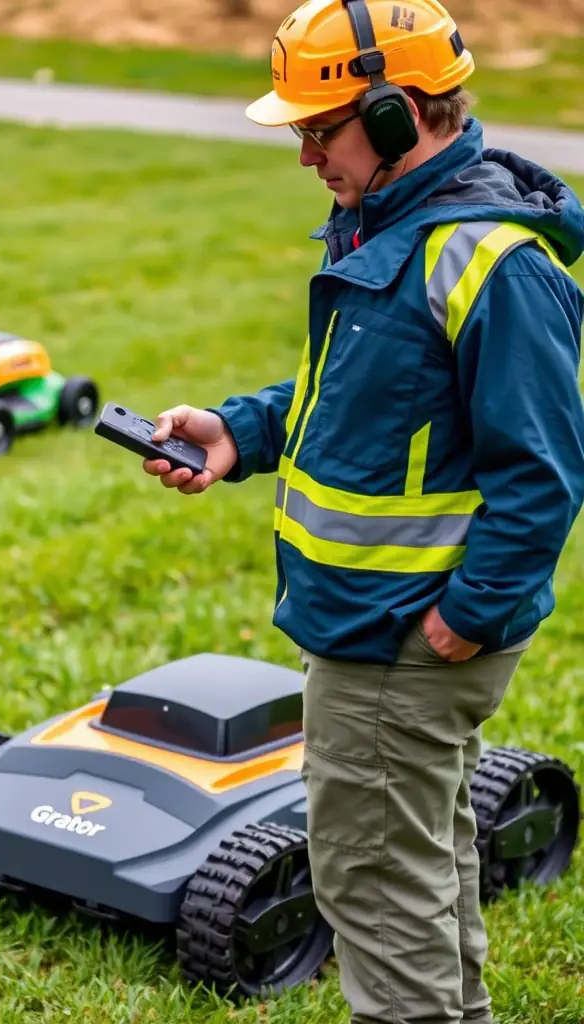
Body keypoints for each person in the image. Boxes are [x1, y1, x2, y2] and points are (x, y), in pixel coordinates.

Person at [142, 0, 584, 1020]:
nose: (304, 154)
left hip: (402, 640)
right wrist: (239, 431)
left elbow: (547, 471)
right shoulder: (387, 229)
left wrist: (467, 616)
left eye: (318, 126)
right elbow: (358, 401)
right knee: (417, 858)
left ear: (396, 116)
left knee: (373, 882)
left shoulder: (486, 264)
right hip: (368, 624)